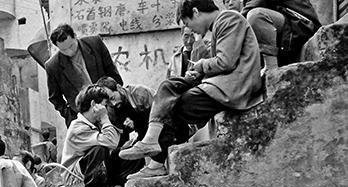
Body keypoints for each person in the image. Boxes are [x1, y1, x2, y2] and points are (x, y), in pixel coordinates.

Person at [119, 0, 262, 177]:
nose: (191, 31)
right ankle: (154, 153)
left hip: (236, 87)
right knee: (168, 89)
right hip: (225, 84)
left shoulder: (228, 19)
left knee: (174, 102)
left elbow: (226, 62)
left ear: (196, 12)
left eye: (187, 24)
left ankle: (154, 153)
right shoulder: (219, 24)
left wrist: (201, 65)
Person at [59, 86, 124, 187]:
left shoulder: (94, 124)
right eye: (105, 104)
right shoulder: (78, 127)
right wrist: (105, 118)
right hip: (75, 176)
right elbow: (111, 141)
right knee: (99, 149)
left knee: (123, 152)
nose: (107, 107)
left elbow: (114, 143)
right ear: (94, 104)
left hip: (89, 167)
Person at [45, 24, 124, 127]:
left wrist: (115, 98)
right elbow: (54, 97)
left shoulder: (95, 43)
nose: (70, 52)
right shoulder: (53, 66)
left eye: (71, 46)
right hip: (82, 116)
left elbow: (112, 72)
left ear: (75, 36)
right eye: (64, 50)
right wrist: (69, 114)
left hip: (109, 105)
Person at [242, 0, 320, 70]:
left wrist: (236, 21)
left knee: (255, 15)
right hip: (285, 26)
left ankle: (271, 68)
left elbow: (256, 3)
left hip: (301, 24)